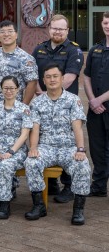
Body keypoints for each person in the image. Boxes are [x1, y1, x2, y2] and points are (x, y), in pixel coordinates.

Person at [24, 63, 90, 225]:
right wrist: (33, 148)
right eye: (48, 77)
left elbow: (77, 127)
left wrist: (80, 149)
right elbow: (35, 129)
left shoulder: (73, 100)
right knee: (31, 162)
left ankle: (78, 210)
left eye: (55, 76)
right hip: (46, 147)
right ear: (44, 81)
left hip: (68, 148)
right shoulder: (37, 103)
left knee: (83, 165)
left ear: (61, 79)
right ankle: (39, 205)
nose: (52, 80)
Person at [31, 14, 84, 202]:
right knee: (45, 137)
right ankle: (50, 185)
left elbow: (69, 77)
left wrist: (49, 93)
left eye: (61, 29)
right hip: (42, 103)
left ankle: (69, 186)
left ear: (67, 31)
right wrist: (40, 94)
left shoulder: (74, 50)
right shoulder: (39, 50)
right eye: (54, 28)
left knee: (66, 141)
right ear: (49, 29)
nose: (57, 31)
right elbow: (33, 76)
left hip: (65, 105)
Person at [0, 76, 32, 220]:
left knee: (5, 166)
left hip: (16, 150)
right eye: (6, 88)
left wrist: (11, 152)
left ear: (18, 90)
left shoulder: (24, 109)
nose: (9, 91)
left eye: (12, 88)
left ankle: (4, 203)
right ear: (1, 89)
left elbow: (24, 135)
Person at [84, 11, 109, 197]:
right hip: (95, 110)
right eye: (106, 22)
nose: (107, 26)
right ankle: (99, 186)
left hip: (103, 105)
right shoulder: (95, 49)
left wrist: (99, 100)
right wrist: (92, 100)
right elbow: (87, 77)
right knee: (97, 148)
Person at [0, 21, 38, 105]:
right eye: (2, 32)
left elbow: (32, 83)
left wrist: (23, 106)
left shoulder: (26, 58)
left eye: (10, 31)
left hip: (15, 106)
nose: (6, 34)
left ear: (16, 35)